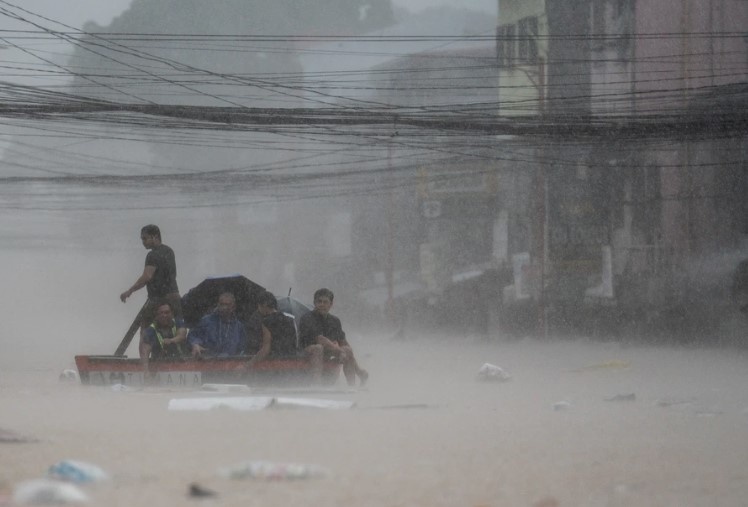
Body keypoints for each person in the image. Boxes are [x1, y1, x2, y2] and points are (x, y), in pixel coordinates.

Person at [119, 224, 181, 359]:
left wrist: (130, 291)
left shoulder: (152, 255)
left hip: (158, 299)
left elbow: (147, 276)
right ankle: (176, 357)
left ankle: (144, 363)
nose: (143, 242)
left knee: (144, 332)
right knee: (175, 328)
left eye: (145, 239)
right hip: (175, 297)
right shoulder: (169, 251)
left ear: (155, 237)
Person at [298, 288, 368, 387]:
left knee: (347, 349)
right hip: (307, 350)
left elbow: (343, 341)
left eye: (325, 302)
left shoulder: (335, 321)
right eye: (319, 301)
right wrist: (339, 351)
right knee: (318, 348)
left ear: (331, 304)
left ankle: (352, 386)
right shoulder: (307, 318)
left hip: (328, 350)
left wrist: (347, 353)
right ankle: (316, 384)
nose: (322, 304)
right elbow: (320, 339)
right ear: (314, 303)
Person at [248, 291, 299, 368]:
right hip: (290, 362)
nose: (258, 310)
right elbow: (295, 343)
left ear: (264, 305)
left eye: (258, 306)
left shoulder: (267, 322)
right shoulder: (290, 320)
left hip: (274, 363)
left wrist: (248, 364)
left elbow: (266, 348)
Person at [188, 292, 247, 357]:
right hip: (208, 362)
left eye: (227, 305)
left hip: (231, 364)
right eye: (221, 304)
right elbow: (193, 336)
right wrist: (195, 344)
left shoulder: (239, 327)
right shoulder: (207, 321)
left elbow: (242, 350)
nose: (224, 307)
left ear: (234, 307)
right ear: (218, 305)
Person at [141, 301, 187, 372]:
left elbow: (182, 335)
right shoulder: (150, 330)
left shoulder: (178, 323)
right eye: (161, 313)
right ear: (156, 315)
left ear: (172, 313)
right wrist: (146, 372)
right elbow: (145, 352)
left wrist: (171, 340)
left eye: (167, 312)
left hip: (182, 364)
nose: (164, 315)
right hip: (159, 366)